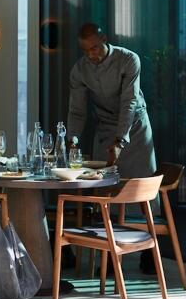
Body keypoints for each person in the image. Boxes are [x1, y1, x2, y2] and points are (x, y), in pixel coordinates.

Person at [67, 23, 157, 273]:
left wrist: (121, 141)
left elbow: (129, 102)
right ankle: (104, 255)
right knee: (102, 191)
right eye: (86, 51)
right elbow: (77, 110)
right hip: (105, 127)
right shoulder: (79, 70)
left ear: (104, 39)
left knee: (141, 190)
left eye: (95, 47)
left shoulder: (129, 60)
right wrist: (71, 140)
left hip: (135, 127)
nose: (92, 55)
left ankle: (149, 253)